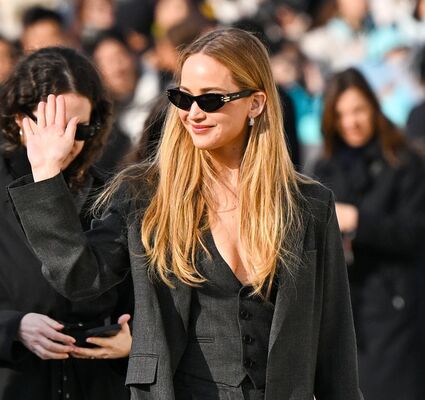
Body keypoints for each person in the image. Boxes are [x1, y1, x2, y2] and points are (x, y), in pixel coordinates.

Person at [8, 28, 362, 399]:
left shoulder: (309, 204)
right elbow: (81, 277)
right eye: (183, 97)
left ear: (256, 103)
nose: (193, 113)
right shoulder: (146, 193)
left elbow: (334, 343)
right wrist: (45, 175)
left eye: (210, 99)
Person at [0, 46, 133, 400]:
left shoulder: (110, 195)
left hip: (97, 386)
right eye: (55, 126)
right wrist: (13, 327)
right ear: (19, 119)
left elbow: (144, 303)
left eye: (81, 129)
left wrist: (134, 341)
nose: (67, 143)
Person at [313, 67, 425, 400]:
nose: (351, 122)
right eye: (341, 114)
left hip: (396, 305)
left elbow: (414, 232)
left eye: (358, 110)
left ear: (374, 108)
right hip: (346, 307)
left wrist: (358, 221)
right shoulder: (324, 167)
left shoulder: (404, 161)